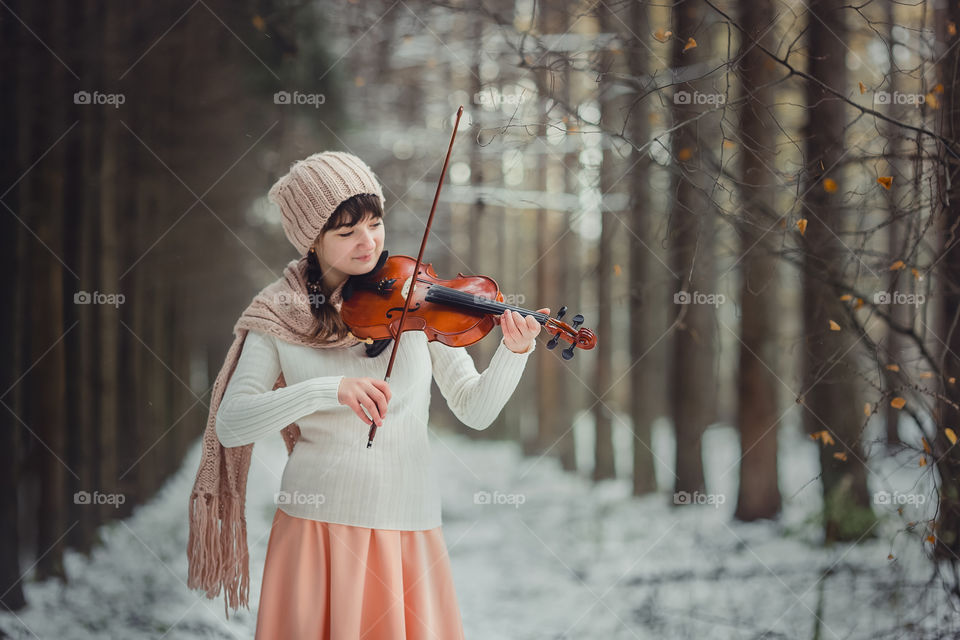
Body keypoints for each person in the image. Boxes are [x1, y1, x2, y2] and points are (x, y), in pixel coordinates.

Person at [187, 151, 545, 638]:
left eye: (375, 223)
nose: (368, 242)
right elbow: (232, 423)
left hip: (409, 527)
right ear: (312, 241)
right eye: (346, 231)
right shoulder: (279, 314)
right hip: (316, 530)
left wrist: (514, 352)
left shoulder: (414, 297)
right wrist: (327, 390)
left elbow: (474, 408)